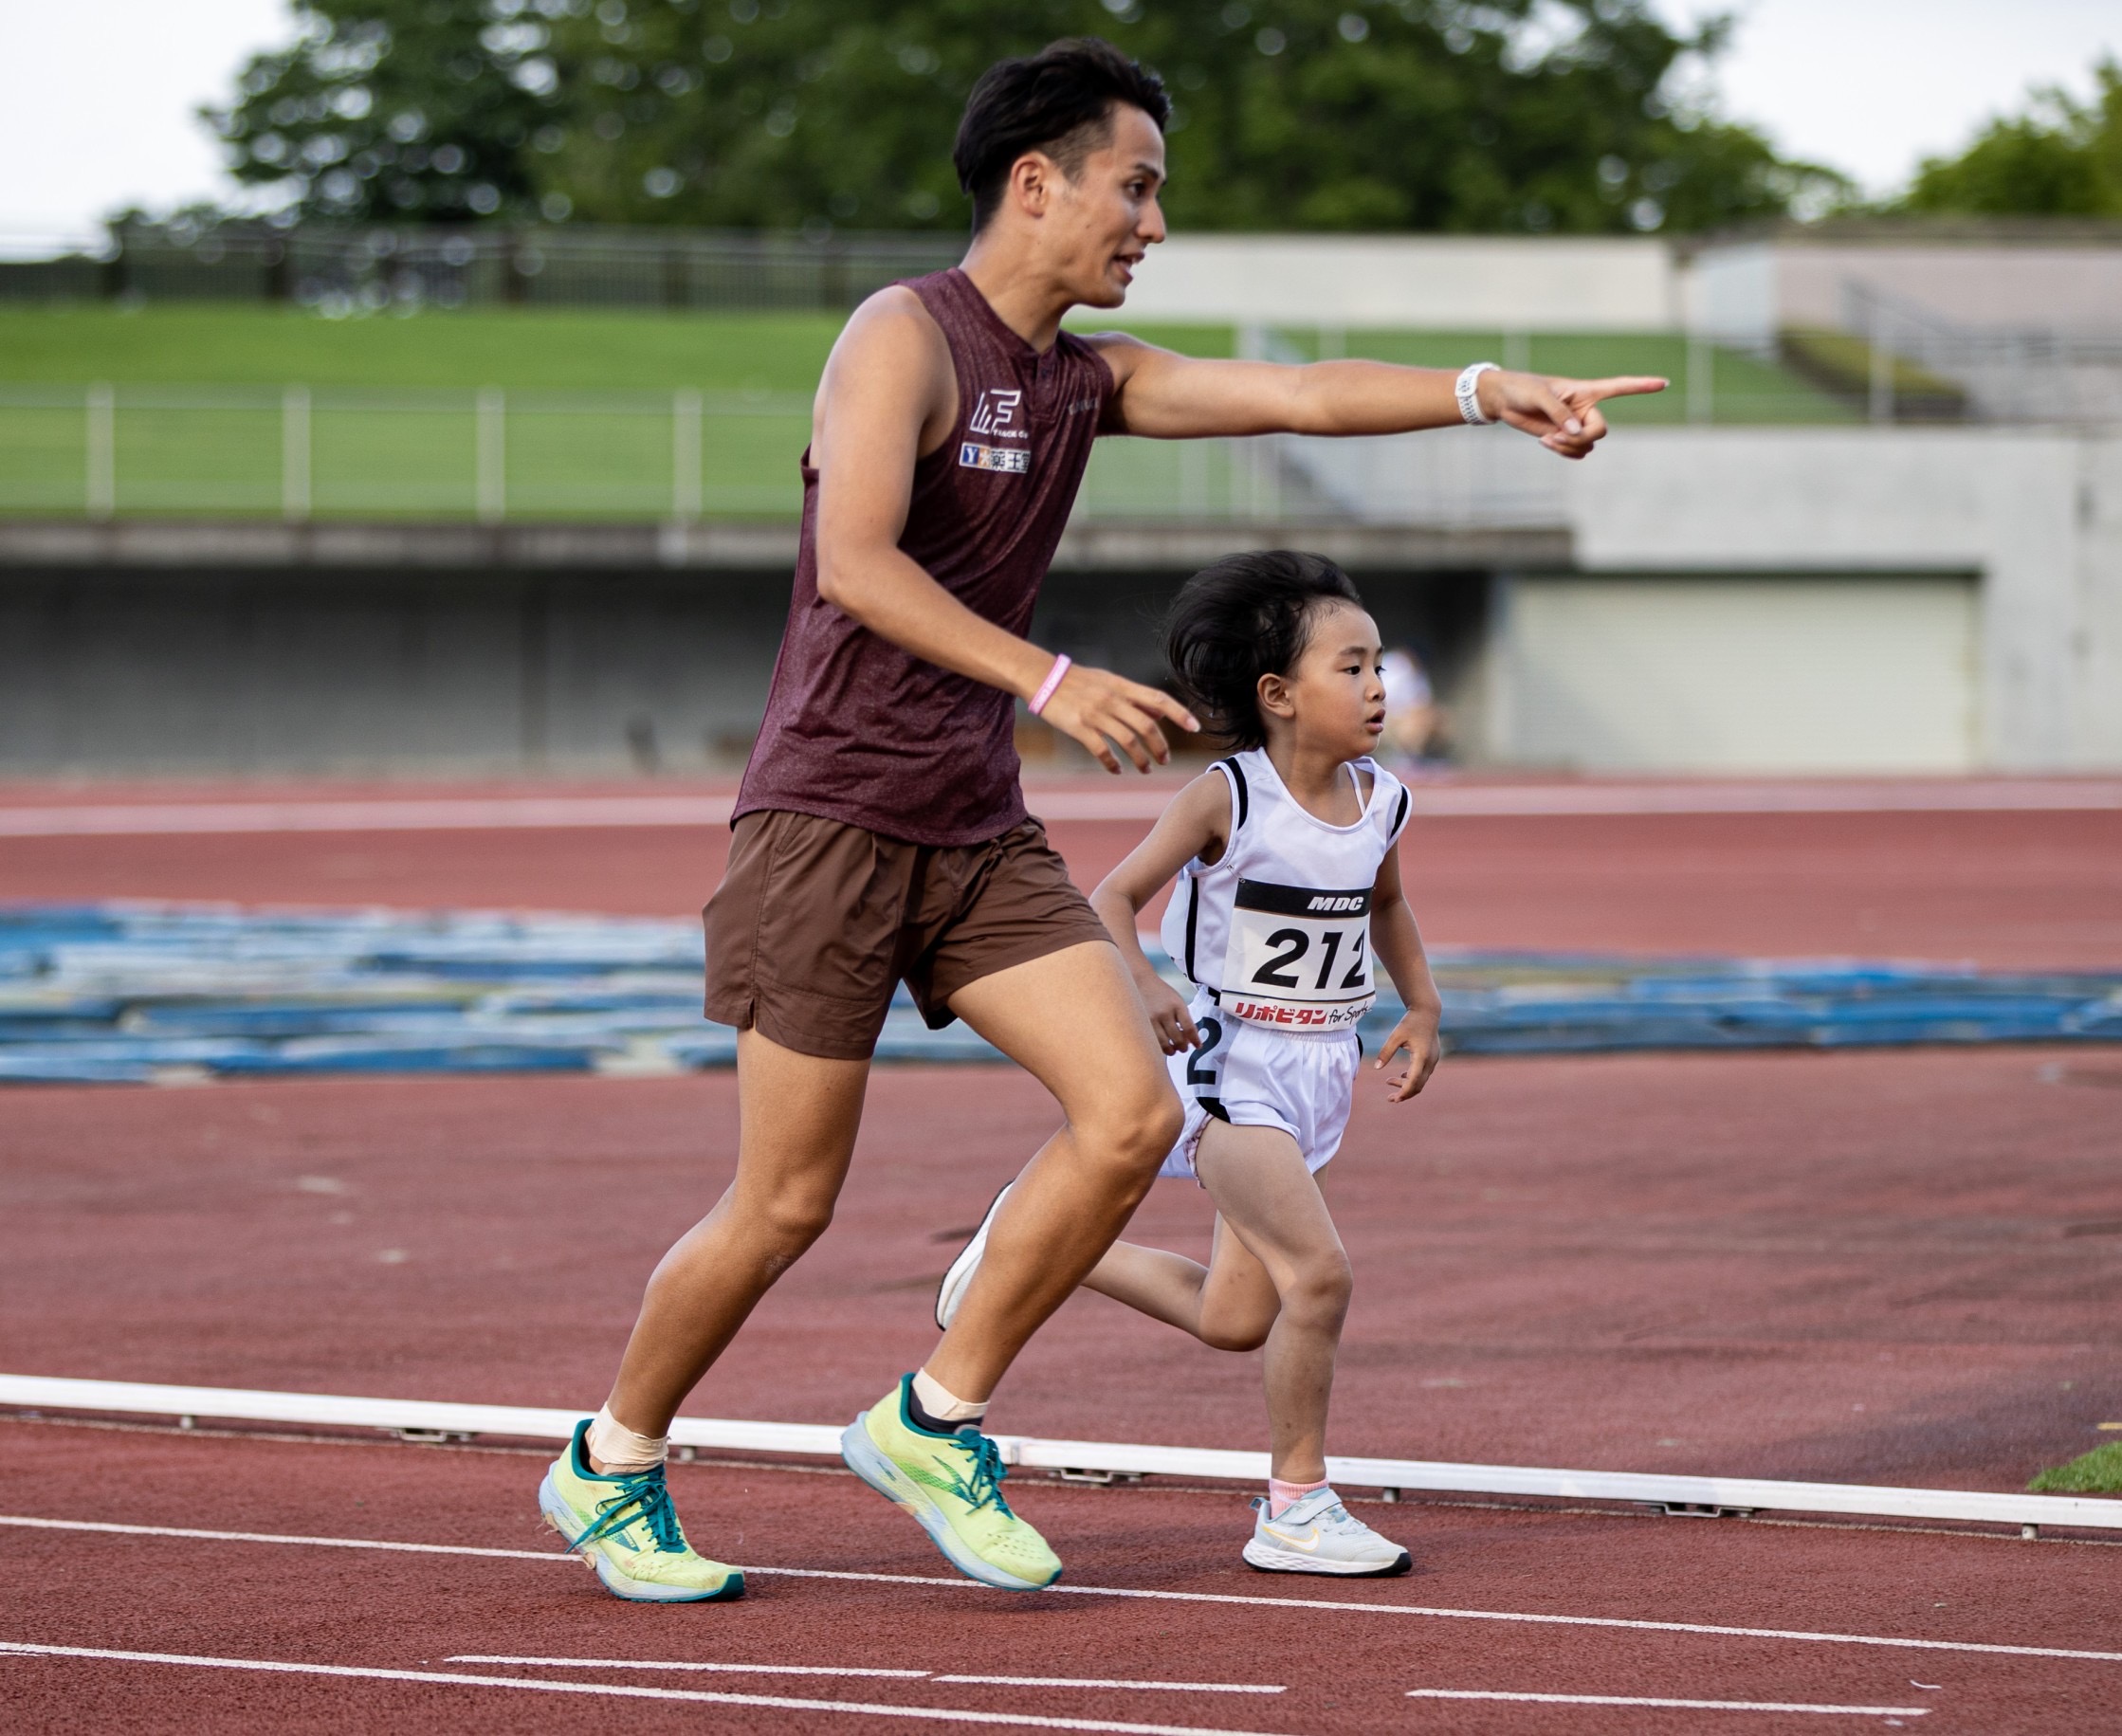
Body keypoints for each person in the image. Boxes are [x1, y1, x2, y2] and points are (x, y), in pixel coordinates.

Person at [539, 36, 1665, 1604]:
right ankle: (611, 1459)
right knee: (787, 1198)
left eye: (1156, 195)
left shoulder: (1086, 380)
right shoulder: (900, 337)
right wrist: (1050, 678)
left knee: (1132, 1116)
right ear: (1034, 183)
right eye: (1132, 188)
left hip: (971, 829)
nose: (1149, 223)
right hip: (826, 822)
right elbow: (856, 562)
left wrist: (1486, 394)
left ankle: (932, 1417)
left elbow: (1296, 391)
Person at [936, 552, 1438, 1577]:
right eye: (1353, 667)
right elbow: (1111, 897)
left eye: (1380, 664)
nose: (1380, 686)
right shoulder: (1229, 798)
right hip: (1227, 1068)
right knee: (1321, 1275)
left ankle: (1017, 1245)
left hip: (1320, 1073)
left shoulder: (1383, 802)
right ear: (1279, 695)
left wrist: (1422, 1003)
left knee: (1234, 1316)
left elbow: (1385, 905)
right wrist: (1150, 990)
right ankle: (1295, 1503)